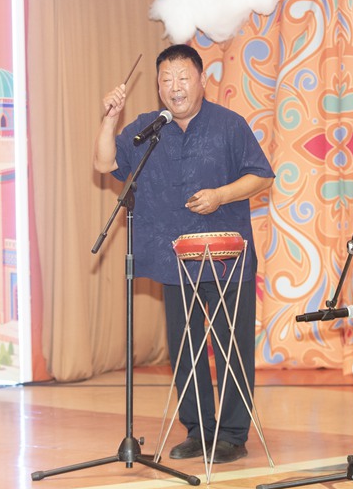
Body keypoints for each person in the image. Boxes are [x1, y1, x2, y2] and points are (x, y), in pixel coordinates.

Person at [94, 44, 274, 464]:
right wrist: (110, 118)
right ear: (159, 87)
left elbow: (262, 177)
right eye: (166, 80)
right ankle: (198, 430)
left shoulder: (229, 125)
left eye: (183, 77)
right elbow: (104, 164)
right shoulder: (148, 128)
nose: (175, 87)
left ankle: (232, 435)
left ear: (202, 80)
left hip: (226, 260)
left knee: (231, 348)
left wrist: (221, 195)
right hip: (175, 260)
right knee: (186, 349)